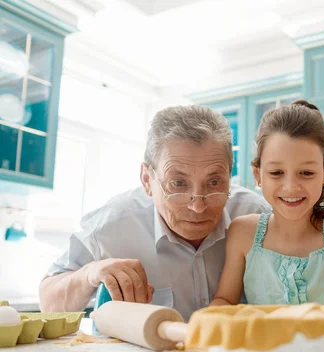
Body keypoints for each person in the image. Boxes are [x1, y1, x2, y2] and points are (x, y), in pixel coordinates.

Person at [39, 105, 270, 321]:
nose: (198, 206)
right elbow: (48, 304)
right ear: (147, 180)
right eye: (178, 183)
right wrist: (89, 272)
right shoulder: (111, 227)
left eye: (214, 182)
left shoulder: (258, 217)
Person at [210, 100, 324, 333]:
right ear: (257, 174)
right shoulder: (243, 232)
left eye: (306, 173)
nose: (291, 187)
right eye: (276, 173)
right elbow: (224, 301)